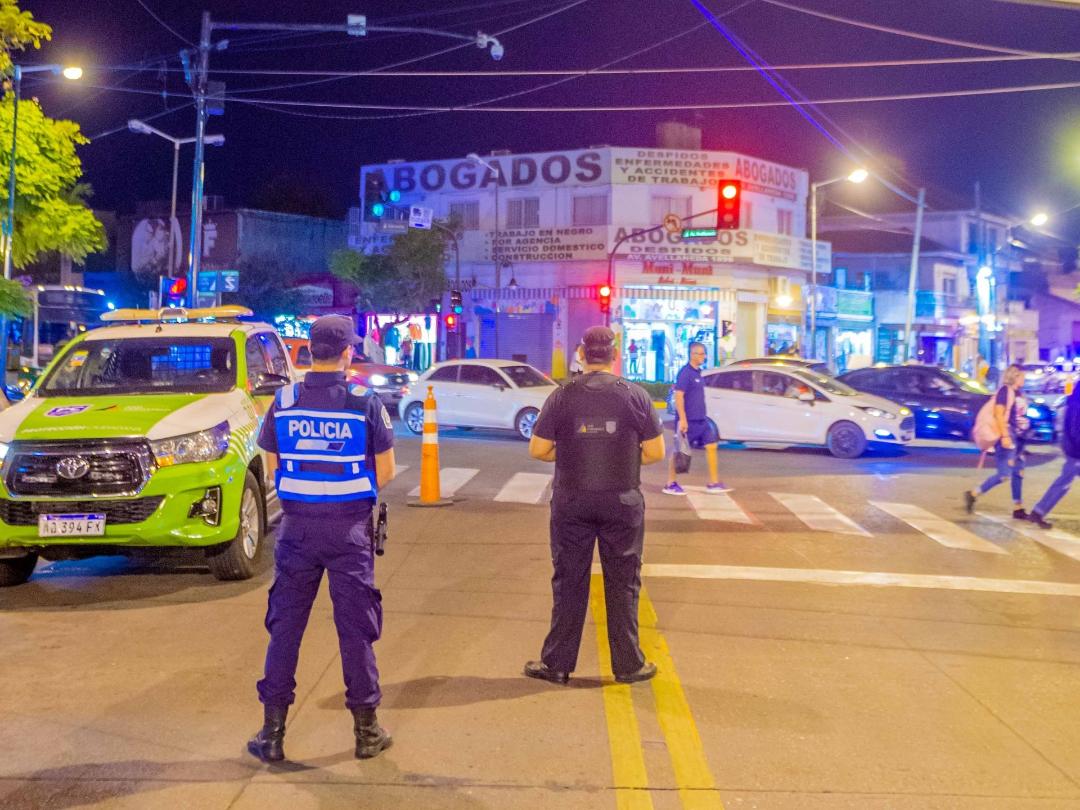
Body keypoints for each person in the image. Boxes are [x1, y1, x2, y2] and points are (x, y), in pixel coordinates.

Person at [248, 314, 397, 764]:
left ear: (310, 351)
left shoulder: (284, 400)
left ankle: (272, 734)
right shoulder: (364, 402)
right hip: (349, 533)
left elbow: (272, 464)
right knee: (355, 632)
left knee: (285, 629)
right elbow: (386, 471)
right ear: (348, 353)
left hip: (296, 530)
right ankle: (366, 732)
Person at [524, 326, 666, 686]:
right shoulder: (635, 396)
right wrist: (623, 458)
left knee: (569, 581)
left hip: (572, 501)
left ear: (581, 355)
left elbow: (538, 449)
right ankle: (628, 665)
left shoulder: (562, 396)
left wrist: (569, 453)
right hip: (622, 501)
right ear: (615, 356)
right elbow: (655, 452)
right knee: (624, 582)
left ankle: (557, 664)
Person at [664, 341, 729, 495]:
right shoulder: (685, 373)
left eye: (703, 354)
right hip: (689, 420)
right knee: (679, 451)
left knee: (711, 446)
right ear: (691, 355)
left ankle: (713, 482)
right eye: (699, 353)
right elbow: (679, 396)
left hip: (702, 419)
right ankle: (670, 483)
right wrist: (683, 419)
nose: (702, 356)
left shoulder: (698, 373)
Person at [964, 364, 1028, 519]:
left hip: (1018, 437)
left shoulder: (1018, 393)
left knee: (1018, 472)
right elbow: (999, 414)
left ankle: (1018, 507)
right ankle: (973, 494)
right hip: (1007, 436)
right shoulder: (1005, 391)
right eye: (1022, 376)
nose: (1024, 379)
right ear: (1015, 376)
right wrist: (1005, 436)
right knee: (1004, 474)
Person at [1028, 382, 1080, 529]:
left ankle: (1038, 511)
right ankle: (1038, 512)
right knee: (1063, 482)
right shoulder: (1077, 402)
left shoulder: (1074, 398)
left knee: (1064, 481)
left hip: (1073, 447)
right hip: (1076, 450)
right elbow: (1075, 427)